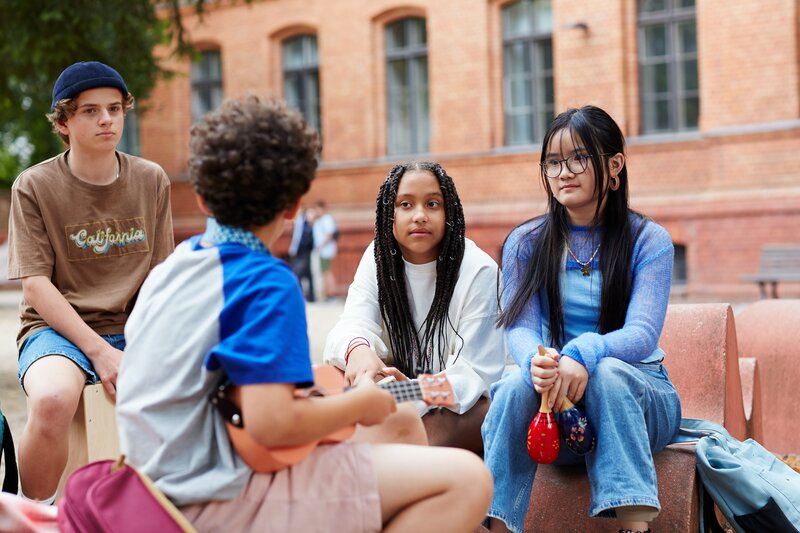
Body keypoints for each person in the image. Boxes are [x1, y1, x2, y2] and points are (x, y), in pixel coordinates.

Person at [116, 95, 492, 533]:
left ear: (201, 199)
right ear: (294, 205)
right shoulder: (265, 282)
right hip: (209, 497)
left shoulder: (170, 270)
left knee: (402, 420)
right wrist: (359, 402)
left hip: (150, 485)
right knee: (467, 481)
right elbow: (273, 424)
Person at [481, 106, 681, 533]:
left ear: (615, 165)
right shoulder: (525, 242)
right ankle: (495, 525)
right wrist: (538, 363)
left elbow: (642, 334)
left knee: (607, 373)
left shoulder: (649, 241)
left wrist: (581, 353)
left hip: (640, 402)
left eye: (578, 158)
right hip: (560, 410)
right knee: (515, 385)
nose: (563, 173)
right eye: (553, 162)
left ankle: (634, 526)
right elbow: (521, 328)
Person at [6, 61, 174, 504]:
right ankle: (34, 515)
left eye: (115, 109)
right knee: (53, 399)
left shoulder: (151, 179)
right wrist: (100, 352)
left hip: (135, 325)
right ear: (63, 122)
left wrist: (149, 343)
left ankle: (166, 508)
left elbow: (160, 277)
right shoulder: (34, 186)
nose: (106, 120)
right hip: (55, 330)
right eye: (90, 111)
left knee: (207, 379)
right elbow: (36, 287)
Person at [323, 161, 506, 454]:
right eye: (405, 204)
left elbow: (476, 377)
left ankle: (369, 459)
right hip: (396, 395)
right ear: (389, 214)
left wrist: (411, 390)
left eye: (432, 204)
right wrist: (359, 352)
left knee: (455, 419)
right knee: (334, 375)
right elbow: (351, 324)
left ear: (449, 213)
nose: (420, 215)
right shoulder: (378, 258)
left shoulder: (478, 270)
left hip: (458, 407)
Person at [288, 206, 318, 301]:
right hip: (298, 251)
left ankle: (309, 295)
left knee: (303, 273)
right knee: (301, 273)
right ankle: (304, 294)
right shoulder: (297, 222)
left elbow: (306, 238)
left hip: (305, 251)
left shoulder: (307, 223)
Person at [312, 200, 338, 299]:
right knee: (325, 272)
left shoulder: (327, 219)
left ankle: (331, 293)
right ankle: (328, 293)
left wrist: (320, 245)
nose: (317, 211)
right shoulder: (320, 219)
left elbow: (329, 235)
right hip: (322, 251)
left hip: (326, 250)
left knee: (327, 272)